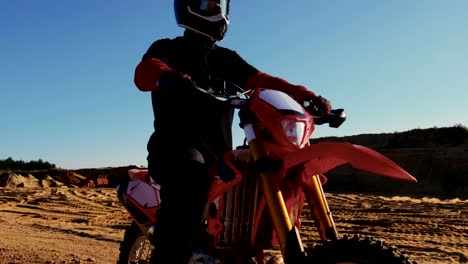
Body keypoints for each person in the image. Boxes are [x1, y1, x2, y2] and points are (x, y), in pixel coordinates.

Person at [133, 0, 332, 263]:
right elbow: (144, 72)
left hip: (219, 154)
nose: (215, 7)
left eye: (219, 3)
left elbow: (261, 80)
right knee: (190, 178)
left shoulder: (225, 59)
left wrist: (303, 95)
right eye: (207, 1)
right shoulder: (167, 48)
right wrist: (167, 77)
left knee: (262, 176)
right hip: (174, 149)